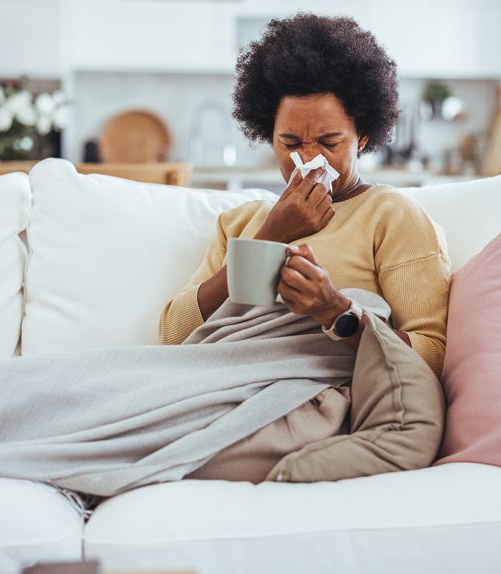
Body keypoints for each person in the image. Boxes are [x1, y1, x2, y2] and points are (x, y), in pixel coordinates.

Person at [158, 13, 450, 483]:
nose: (308, 159)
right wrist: (270, 235)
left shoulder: (392, 216)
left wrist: (336, 311)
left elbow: (430, 356)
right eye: (289, 141)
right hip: (211, 387)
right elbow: (175, 337)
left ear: (365, 137)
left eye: (330, 142)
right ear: (266, 136)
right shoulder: (242, 224)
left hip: (304, 400)